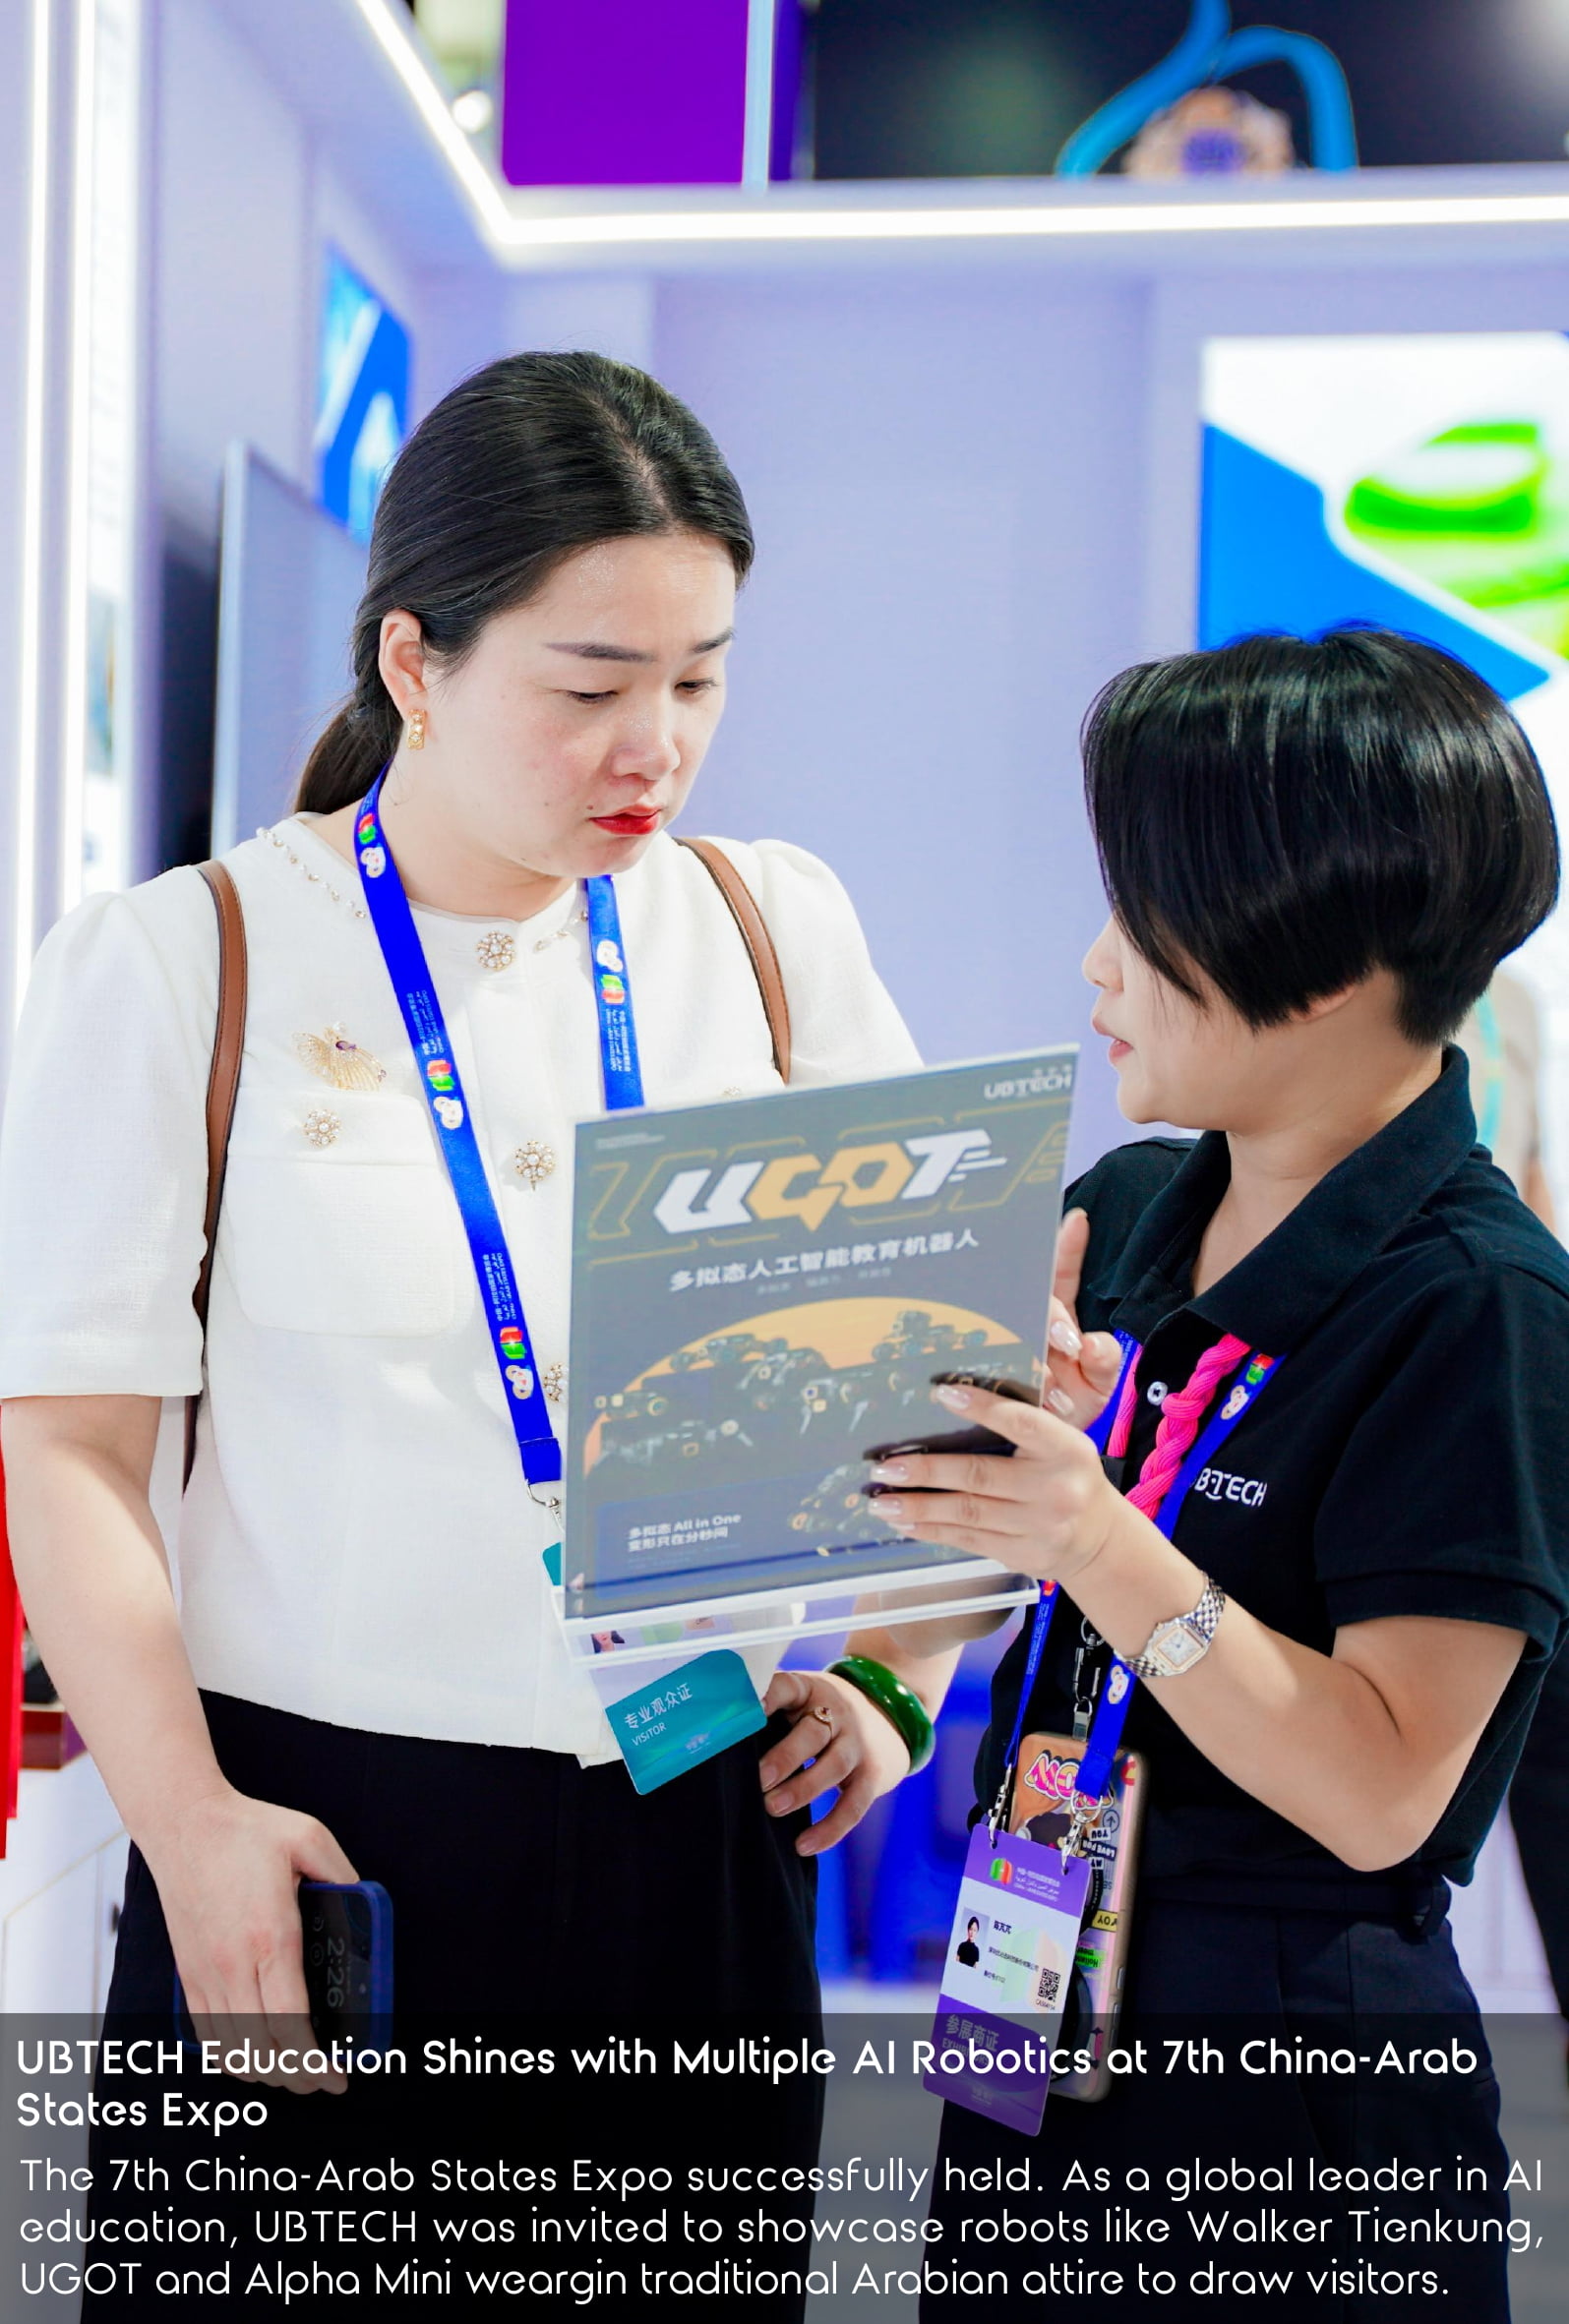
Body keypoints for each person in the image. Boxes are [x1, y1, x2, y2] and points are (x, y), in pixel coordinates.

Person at [0, 356, 964, 2142]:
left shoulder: (768, 931)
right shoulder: (186, 961)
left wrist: (902, 1673)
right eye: (590, 686)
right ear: (413, 663)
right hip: (322, 1841)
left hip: (700, 1829)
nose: (654, 743)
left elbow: (941, 1356)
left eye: (698, 677)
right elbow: (70, 1449)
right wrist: (188, 1824)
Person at [860, 630, 1569, 2322]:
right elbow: (996, 1560)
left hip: (1291, 2090)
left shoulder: (1480, 1304)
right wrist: (904, 1639)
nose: (1098, 964)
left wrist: (1102, 1539)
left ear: (1311, 962)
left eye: (1143, 912)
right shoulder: (1129, 1210)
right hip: (1030, 1998)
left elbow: (1383, 1790)